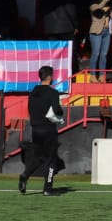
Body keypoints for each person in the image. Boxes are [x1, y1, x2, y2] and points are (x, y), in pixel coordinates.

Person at [20, 65, 66, 195]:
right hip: (48, 129)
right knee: (51, 160)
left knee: (39, 158)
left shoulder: (33, 93)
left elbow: (30, 109)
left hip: (36, 129)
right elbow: (57, 110)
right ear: (50, 77)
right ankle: (47, 188)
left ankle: (25, 176)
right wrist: (60, 113)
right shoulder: (52, 93)